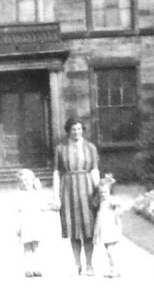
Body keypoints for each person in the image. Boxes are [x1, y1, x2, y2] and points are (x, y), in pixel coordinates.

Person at [52, 117, 101, 275]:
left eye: (79, 129)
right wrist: (56, 196)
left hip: (87, 188)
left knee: (88, 227)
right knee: (73, 227)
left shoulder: (90, 147)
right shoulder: (61, 148)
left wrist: (98, 191)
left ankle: (89, 264)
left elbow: (94, 170)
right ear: (68, 130)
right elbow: (57, 172)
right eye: (73, 129)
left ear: (82, 130)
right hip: (68, 188)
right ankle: (76, 263)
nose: (76, 132)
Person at [15, 169, 53, 277]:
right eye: (22, 181)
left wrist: (39, 189)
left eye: (28, 181)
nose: (25, 183)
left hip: (35, 223)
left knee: (36, 246)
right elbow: (17, 212)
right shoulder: (19, 195)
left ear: (33, 181)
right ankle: (28, 268)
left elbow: (43, 206)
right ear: (19, 183)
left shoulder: (36, 194)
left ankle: (37, 267)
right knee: (27, 247)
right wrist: (17, 228)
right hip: (25, 225)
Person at [93, 173, 122, 277]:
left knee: (110, 251)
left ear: (110, 192)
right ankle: (112, 268)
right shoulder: (102, 202)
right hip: (104, 229)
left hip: (110, 228)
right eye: (101, 193)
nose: (103, 195)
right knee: (108, 250)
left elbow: (118, 206)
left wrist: (118, 213)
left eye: (105, 192)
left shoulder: (110, 200)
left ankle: (115, 269)